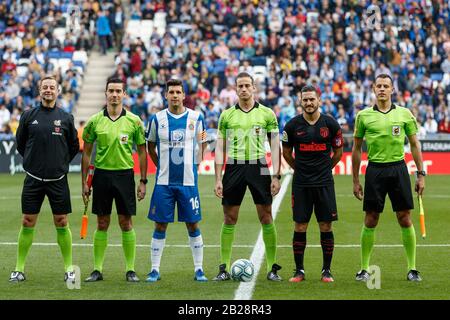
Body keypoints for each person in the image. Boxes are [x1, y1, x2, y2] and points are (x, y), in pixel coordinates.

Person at [352, 73, 425, 282]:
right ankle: (364, 269)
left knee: (404, 218)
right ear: (373, 89)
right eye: (379, 86)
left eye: (386, 86)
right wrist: (355, 180)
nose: (382, 89)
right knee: (371, 218)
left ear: (393, 90)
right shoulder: (363, 116)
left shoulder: (404, 114)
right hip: (374, 170)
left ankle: (412, 268)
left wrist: (421, 175)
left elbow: (414, 145)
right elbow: (356, 149)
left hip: (399, 169)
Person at [9, 75, 79, 283]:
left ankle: (69, 269)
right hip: (33, 179)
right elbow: (21, 144)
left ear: (58, 91)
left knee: (62, 221)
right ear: (39, 91)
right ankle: (19, 269)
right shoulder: (28, 116)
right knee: (27, 220)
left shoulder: (66, 118)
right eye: (44, 87)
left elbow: (73, 146)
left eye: (52, 87)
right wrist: (34, 161)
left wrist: (58, 162)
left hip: (58, 179)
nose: (48, 90)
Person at [213, 72, 282, 281]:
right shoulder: (226, 116)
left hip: (258, 165)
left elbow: (275, 146)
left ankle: (272, 268)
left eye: (247, 86)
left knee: (266, 216)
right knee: (229, 217)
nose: (243, 89)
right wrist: (218, 178)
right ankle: (223, 268)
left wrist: (276, 175)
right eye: (240, 86)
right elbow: (219, 147)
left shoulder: (267, 114)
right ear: (235, 89)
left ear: (254, 88)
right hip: (233, 167)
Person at [82, 77, 147, 282]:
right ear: (106, 93)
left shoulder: (134, 121)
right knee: (102, 222)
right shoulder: (94, 121)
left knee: (125, 222)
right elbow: (86, 153)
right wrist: (85, 181)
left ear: (124, 94)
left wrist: (143, 181)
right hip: (101, 175)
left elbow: (143, 153)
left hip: (125, 175)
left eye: (119, 91)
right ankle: (97, 269)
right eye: (111, 91)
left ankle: (130, 270)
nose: (115, 94)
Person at [145, 79, 208, 282]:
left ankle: (199, 269)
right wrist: (160, 164)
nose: (174, 95)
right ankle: (155, 269)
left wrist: (195, 164)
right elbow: (150, 146)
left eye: (178, 92)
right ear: (166, 95)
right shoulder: (157, 119)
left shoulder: (197, 118)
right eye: (170, 92)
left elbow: (203, 143)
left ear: (183, 95)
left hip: (188, 182)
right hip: (164, 182)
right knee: (160, 225)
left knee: (192, 224)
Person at [282, 85, 343, 283]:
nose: (309, 103)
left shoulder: (331, 124)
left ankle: (327, 270)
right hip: (301, 184)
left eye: (312, 99)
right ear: (300, 101)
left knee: (325, 225)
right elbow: (286, 153)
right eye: (305, 99)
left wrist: (325, 169)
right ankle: (299, 271)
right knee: (300, 226)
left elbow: (339, 153)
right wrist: (299, 169)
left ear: (319, 100)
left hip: (324, 182)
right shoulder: (291, 126)